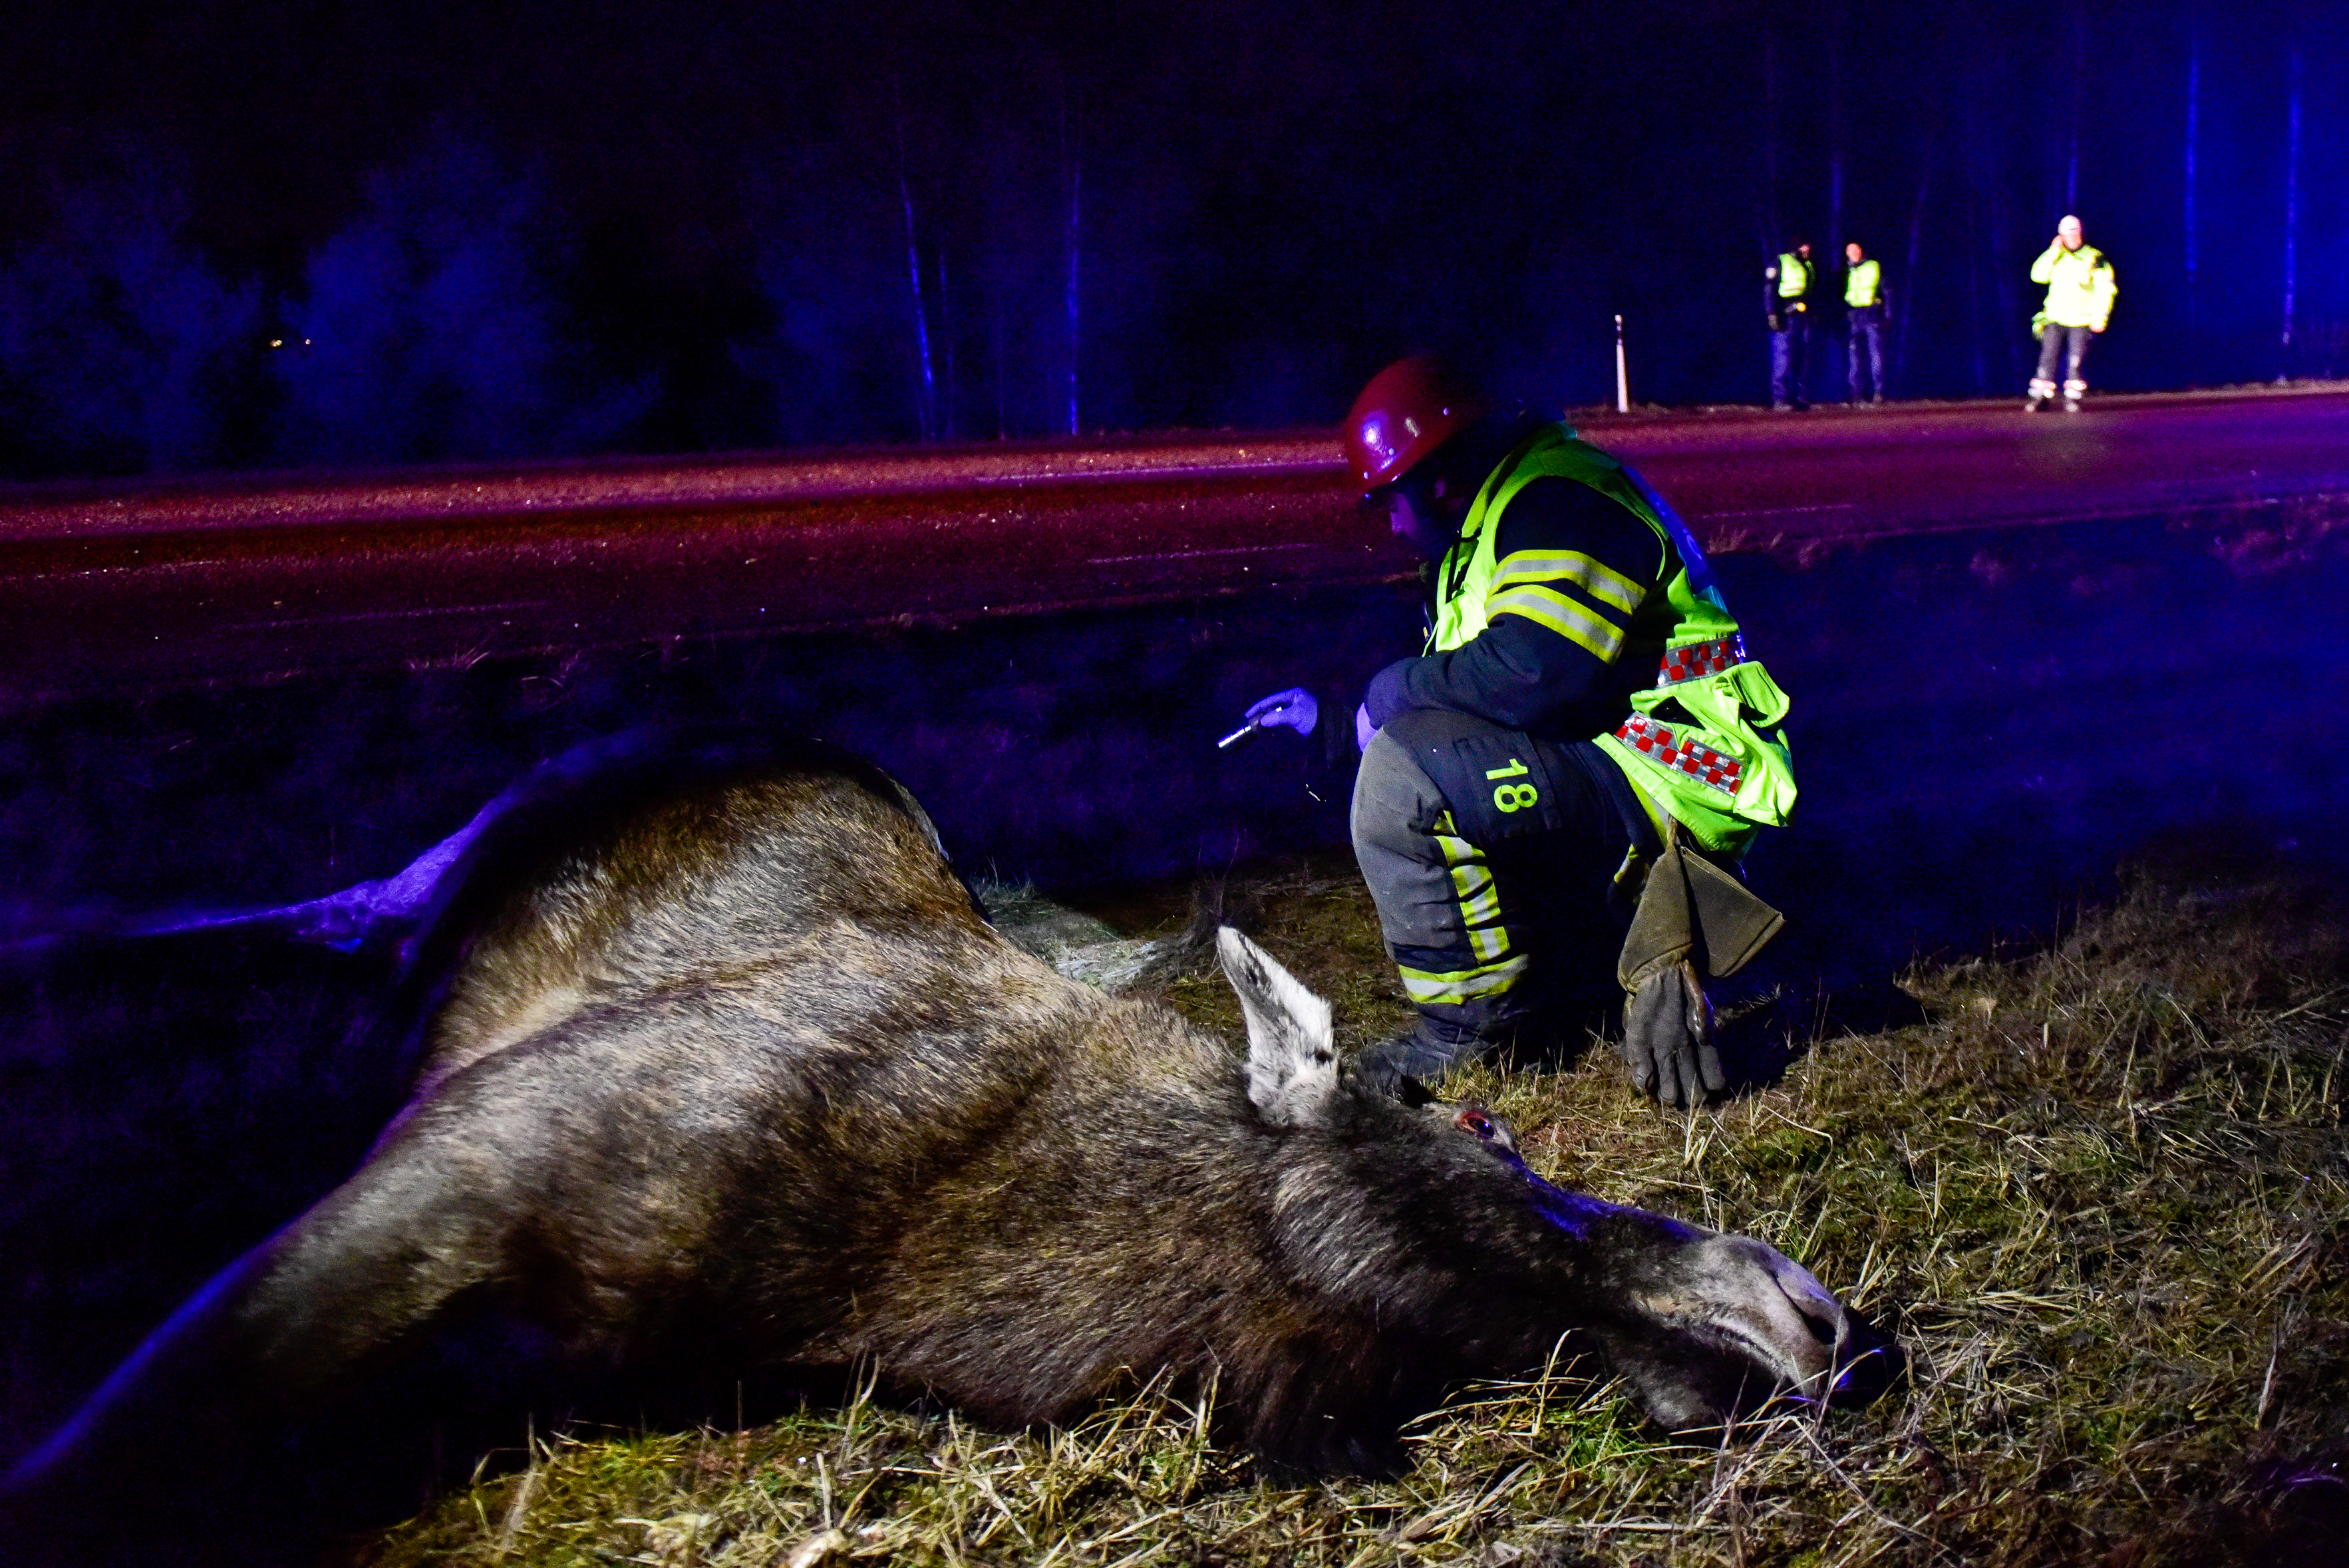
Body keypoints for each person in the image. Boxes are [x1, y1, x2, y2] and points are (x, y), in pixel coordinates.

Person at [1250, 356, 1798, 1108]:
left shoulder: (1554, 499)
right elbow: (1475, 697)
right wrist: (1335, 725)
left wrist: (1389, 689)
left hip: (1679, 779)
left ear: (1437, 480)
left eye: (1389, 500)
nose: (1391, 523)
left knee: (1405, 779)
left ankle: (1469, 1033)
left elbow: (1532, 671)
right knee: (1411, 757)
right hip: (1618, 762)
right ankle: (1584, 970)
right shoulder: (1487, 528)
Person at [2026, 215, 2116, 412]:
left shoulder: (2095, 257)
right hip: (2055, 317)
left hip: (2081, 318)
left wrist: (2100, 316)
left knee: (2076, 361)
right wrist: (2053, 251)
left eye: (2073, 233)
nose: (2070, 238)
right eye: (2066, 235)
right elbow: (2038, 276)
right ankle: (2041, 397)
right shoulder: (2057, 255)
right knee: (2047, 359)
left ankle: (2073, 398)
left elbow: (2105, 288)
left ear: (2079, 233)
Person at [1765, 237, 1816, 410]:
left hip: (1802, 315)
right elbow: (1770, 288)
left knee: (1800, 357)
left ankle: (1798, 397)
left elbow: (1809, 291)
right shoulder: (1782, 261)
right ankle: (1781, 399)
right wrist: (1772, 313)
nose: (1808, 248)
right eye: (1804, 244)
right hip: (1785, 315)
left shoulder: (1808, 264)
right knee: (1783, 357)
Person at [1843, 240, 1887, 404]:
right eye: (1850, 251)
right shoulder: (1846, 270)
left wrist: (1887, 314)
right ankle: (1856, 395)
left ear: (1861, 251)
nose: (1854, 254)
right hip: (1854, 316)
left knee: (1876, 355)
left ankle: (1879, 393)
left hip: (1871, 314)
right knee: (1855, 356)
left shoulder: (1873, 266)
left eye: (1856, 251)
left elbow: (1886, 289)